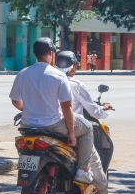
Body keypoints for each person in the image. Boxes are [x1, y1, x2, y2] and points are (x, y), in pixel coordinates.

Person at [9, 37, 94, 185]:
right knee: (87, 128)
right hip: (52, 125)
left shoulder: (22, 73)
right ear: (51, 53)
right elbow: (67, 107)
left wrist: (27, 109)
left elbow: (15, 101)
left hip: (27, 126)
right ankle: (83, 169)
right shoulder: (58, 75)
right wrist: (72, 133)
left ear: (35, 53)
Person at [55, 50, 118, 194]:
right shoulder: (76, 85)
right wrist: (104, 108)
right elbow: (93, 110)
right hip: (71, 127)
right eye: (75, 65)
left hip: (48, 126)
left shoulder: (49, 79)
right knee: (95, 163)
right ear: (73, 67)